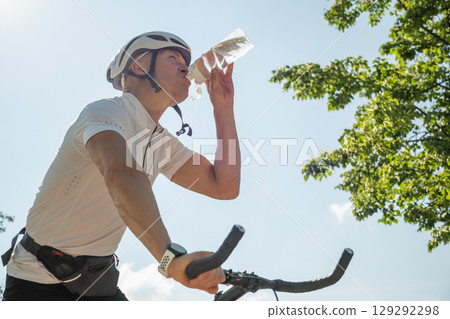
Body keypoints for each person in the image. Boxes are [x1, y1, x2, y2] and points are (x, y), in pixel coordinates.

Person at [2, 31, 241, 301]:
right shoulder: (105, 112)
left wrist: (223, 107)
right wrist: (170, 260)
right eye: (172, 58)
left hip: (97, 281)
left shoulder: (160, 142)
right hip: (35, 281)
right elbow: (122, 176)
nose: (185, 66)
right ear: (138, 66)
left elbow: (225, 186)